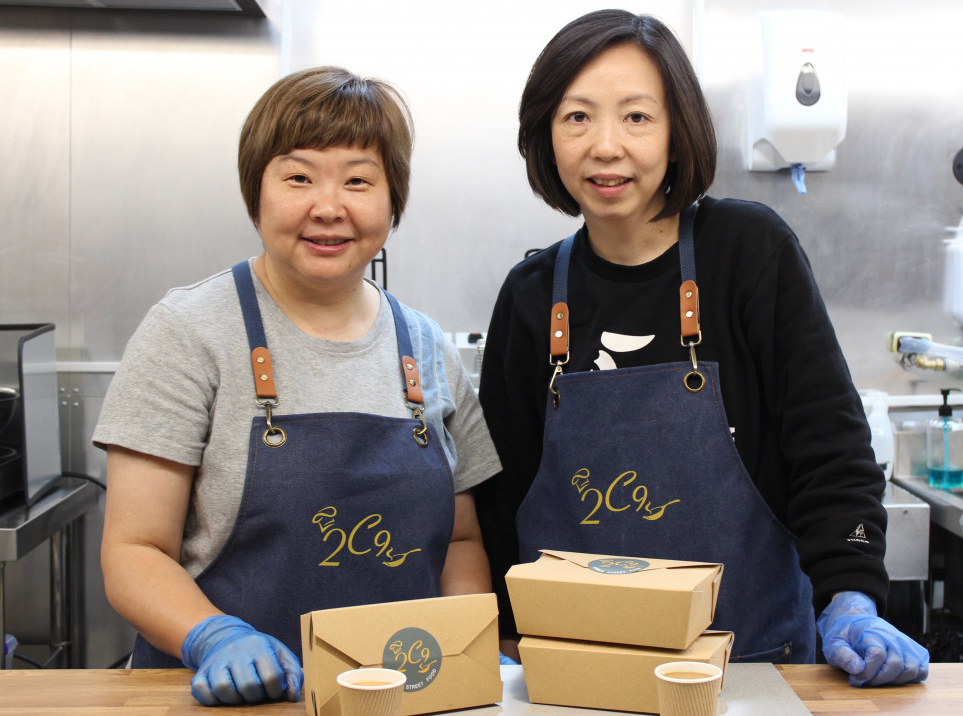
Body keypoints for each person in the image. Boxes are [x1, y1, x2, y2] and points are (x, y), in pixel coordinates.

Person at [474, 9, 929, 687]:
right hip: (576, 673)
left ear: (678, 131)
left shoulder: (749, 251)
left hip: (752, 667)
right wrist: (503, 634)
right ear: (545, 134)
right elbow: (499, 495)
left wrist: (851, 595)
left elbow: (827, 443)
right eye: (576, 117)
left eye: (636, 117)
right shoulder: (530, 294)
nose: (605, 146)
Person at [95, 67, 502, 706]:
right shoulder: (188, 331)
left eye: (359, 180)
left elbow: (460, 541)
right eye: (298, 176)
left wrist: (470, 658)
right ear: (255, 191)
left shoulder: (425, 345)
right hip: (224, 699)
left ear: (393, 201)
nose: (328, 206)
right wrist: (214, 636)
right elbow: (133, 549)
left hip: (399, 698)